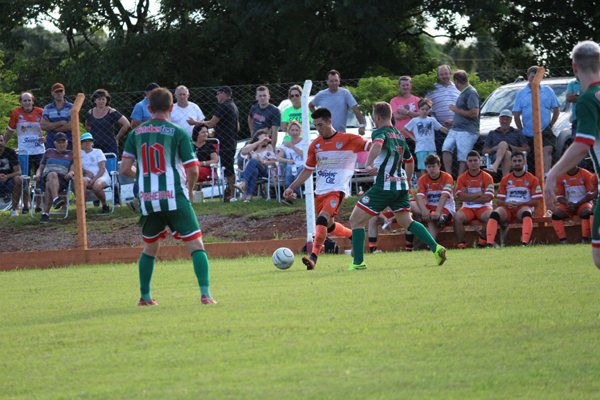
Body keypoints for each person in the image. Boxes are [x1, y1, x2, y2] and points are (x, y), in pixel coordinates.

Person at [120, 87, 216, 305]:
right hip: (175, 196)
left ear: (150, 108)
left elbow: (125, 168)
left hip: (148, 199)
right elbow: (192, 170)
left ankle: (145, 297)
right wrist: (190, 190)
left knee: (150, 248)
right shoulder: (178, 132)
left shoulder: (135, 133)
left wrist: (144, 179)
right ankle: (206, 295)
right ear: (172, 108)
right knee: (196, 245)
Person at [348, 102, 447, 270]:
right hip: (400, 185)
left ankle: (358, 263)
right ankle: (436, 248)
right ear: (391, 116)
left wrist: (368, 163)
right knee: (406, 221)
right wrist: (408, 182)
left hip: (385, 186)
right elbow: (410, 161)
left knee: (355, 221)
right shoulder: (400, 135)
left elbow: (378, 145)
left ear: (377, 117)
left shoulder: (380, 132)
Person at [283, 108, 369, 270]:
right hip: (320, 192)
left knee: (321, 219)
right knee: (328, 225)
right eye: (315, 126)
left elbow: (371, 146)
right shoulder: (315, 145)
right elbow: (307, 170)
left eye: (321, 125)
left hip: (337, 189)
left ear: (329, 122)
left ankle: (313, 257)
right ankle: (352, 235)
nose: (318, 129)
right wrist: (291, 187)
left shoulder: (348, 139)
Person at [512, 66, 561, 174]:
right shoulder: (521, 93)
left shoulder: (547, 91)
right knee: (531, 157)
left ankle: (546, 176)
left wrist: (550, 125)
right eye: (532, 77)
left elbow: (556, 109)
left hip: (545, 129)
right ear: (528, 77)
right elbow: (516, 114)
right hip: (528, 131)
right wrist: (521, 130)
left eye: (536, 77)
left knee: (547, 149)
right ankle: (531, 179)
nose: (534, 80)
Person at [487, 152, 542, 247]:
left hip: (522, 207)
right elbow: (499, 201)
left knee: (526, 213)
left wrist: (520, 204)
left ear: (524, 162)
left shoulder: (533, 179)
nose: (517, 163)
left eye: (519, 160)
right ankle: (489, 244)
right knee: (494, 214)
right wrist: (507, 204)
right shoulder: (505, 179)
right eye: (515, 161)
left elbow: (536, 202)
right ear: (511, 163)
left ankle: (524, 243)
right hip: (508, 207)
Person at [5, 91, 44, 213]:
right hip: (24, 151)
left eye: (29, 100)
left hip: (39, 150)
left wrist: (46, 138)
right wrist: (3, 145)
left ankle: (38, 205)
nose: (27, 103)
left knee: (38, 178)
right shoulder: (16, 113)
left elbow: (50, 127)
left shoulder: (41, 112)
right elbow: (10, 131)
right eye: (25, 100)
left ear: (33, 101)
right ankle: (26, 206)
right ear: (20, 102)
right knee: (24, 179)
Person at [201, 86, 240, 201]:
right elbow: (237, 127)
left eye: (218, 93)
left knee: (228, 169)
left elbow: (211, 123)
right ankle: (230, 193)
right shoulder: (233, 106)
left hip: (226, 143)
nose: (216, 96)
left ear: (224, 93)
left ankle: (233, 195)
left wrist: (196, 122)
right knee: (227, 168)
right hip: (230, 141)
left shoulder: (224, 106)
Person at [126, 83, 159, 212]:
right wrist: (151, 120)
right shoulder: (140, 106)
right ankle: (136, 198)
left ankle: (147, 198)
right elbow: (133, 125)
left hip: (156, 142)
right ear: (149, 93)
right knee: (143, 169)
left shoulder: (158, 105)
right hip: (144, 142)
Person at [442, 70, 480, 177]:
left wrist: (456, 110)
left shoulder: (471, 92)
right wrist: (454, 122)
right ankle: (448, 178)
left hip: (467, 130)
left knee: (463, 156)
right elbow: (465, 113)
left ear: (457, 81)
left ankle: (460, 180)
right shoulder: (463, 93)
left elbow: (474, 113)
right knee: (446, 148)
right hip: (456, 129)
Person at [453, 150, 495, 249]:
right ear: (466, 162)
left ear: (480, 161)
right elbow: (460, 197)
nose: (473, 163)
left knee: (491, 216)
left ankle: (482, 242)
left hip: (484, 207)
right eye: (470, 161)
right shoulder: (461, 178)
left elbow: (488, 197)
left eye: (475, 160)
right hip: (468, 207)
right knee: (457, 217)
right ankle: (461, 244)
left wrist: (468, 195)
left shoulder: (487, 177)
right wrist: (479, 194)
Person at [309, 70, 367, 135]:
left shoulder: (345, 93)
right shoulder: (321, 94)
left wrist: (362, 125)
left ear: (339, 81)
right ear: (327, 81)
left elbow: (355, 108)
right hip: (324, 135)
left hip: (340, 134)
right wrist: (319, 118)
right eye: (331, 81)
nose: (334, 83)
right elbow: (311, 105)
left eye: (336, 80)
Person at [401, 98, 449, 178]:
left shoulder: (432, 120)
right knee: (423, 167)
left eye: (427, 109)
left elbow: (441, 128)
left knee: (434, 165)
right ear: (419, 109)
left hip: (431, 147)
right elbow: (404, 129)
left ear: (429, 110)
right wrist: (413, 138)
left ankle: (433, 182)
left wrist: (450, 133)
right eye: (422, 109)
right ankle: (424, 184)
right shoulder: (415, 120)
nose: (424, 111)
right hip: (420, 148)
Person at [34, 132, 74, 224]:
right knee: (52, 175)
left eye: (63, 142)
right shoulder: (48, 152)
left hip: (62, 180)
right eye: (59, 142)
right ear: (55, 143)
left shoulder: (71, 154)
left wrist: (71, 173)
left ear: (67, 142)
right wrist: (37, 174)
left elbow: (72, 169)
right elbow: (40, 168)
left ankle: (45, 214)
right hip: (45, 177)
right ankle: (56, 199)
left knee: (50, 183)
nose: (61, 144)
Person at [415, 154, 456, 240]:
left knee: (433, 220)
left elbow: (444, 196)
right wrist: (425, 211)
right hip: (429, 208)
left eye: (434, 166)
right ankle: (410, 246)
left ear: (439, 166)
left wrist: (437, 212)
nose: (431, 169)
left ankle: (430, 246)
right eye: (429, 167)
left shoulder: (447, 177)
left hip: (445, 208)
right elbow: (419, 197)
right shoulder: (422, 179)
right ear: (426, 167)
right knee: (411, 205)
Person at [235, 128, 281, 202]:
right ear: (258, 136)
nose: (267, 138)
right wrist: (259, 142)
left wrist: (261, 161)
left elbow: (274, 163)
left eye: (268, 137)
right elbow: (243, 152)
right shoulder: (251, 146)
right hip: (249, 172)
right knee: (254, 170)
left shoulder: (268, 147)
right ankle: (248, 197)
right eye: (265, 135)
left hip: (263, 172)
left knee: (253, 160)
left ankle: (243, 183)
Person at [551, 165, 594, 244]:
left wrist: (576, 204)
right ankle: (564, 242)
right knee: (556, 215)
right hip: (569, 205)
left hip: (583, 203)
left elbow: (590, 194)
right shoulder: (561, 176)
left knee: (586, 212)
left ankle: (585, 240)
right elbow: (560, 196)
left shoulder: (586, 174)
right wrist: (567, 203)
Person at [482, 110, 530, 177]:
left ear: (510, 120)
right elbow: (484, 151)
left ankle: (494, 167)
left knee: (504, 144)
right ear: (499, 120)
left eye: (507, 119)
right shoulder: (492, 133)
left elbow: (527, 149)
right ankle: (506, 180)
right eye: (502, 119)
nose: (504, 121)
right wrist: (496, 148)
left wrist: (510, 147)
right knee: (507, 153)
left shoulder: (517, 132)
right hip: (496, 156)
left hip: (514, 156)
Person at [426, 65, 460, 155]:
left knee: (459, 153)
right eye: (441, 74)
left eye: (446, 74)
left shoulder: (458, 87)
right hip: (440, 130)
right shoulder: (431, 90)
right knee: (442, 153)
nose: (444, 76)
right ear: (438, 76)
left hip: (458, 127)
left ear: (451, 74)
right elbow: (426, 107)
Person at [85, 89, 130, 156]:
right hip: (95, 146)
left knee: (110, 166)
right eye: (99, 99)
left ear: (107, 100)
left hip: (110, 146)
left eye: (103, 99)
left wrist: (117, 138)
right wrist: (91, 136)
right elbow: (87, 125)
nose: (101, 101)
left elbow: (126, 124)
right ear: (94, 100)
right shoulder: (90, 113)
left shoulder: (112, 112)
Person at [80, 133, 112, 213]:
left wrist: (93, 179)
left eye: (89, 141)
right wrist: (86, 171)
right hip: (87, 177)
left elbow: (102, 169)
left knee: (96, 186)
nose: (87, 143)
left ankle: (105, 204)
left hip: (101, 176)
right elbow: (77, 168)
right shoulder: (79, 153)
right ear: (81, 143)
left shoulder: (98, 152)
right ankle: (83, 208)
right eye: (85, 141)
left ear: (93, 143)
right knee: (81, 182)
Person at [278, 120, 304, 205]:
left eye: (297, 130)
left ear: (300, 131)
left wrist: (292, 147)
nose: (295, 132)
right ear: (289, 131)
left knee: (298, 175)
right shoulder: (285, 144)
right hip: (291, 165)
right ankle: (291, 195)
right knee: (288, 174)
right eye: (292, 130)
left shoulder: (304, 142)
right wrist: (287, 161)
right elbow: (278, 158)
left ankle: (292, 194)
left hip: (302, 165)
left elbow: (305, 155)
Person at [40, 83, 73, 149]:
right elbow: (43, 126)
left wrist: (50, 127)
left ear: (64, 92)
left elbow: (70, 126)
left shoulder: (71, 107)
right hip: (51, 144)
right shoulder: (47, 108)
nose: (59, 93)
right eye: (56, 91)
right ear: (52, 93)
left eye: (61, 91)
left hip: (67, 144)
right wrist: (61, 123)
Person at [566, 78, 587, 168]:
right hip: (577, 120)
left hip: (593, 118)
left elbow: (593, 96)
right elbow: (569, 98)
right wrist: (582, 93)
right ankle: (582, 173)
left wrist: (577, 94)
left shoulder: (591, 80)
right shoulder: (572, 83)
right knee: (578, 148)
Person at [0, 133, 23, 216]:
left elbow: (19, 172)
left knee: (19, 179)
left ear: (4, 142)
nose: (0, 143)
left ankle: (13, 209)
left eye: (1, 141)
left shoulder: (10, 152)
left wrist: (7, 176)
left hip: (8, 182)